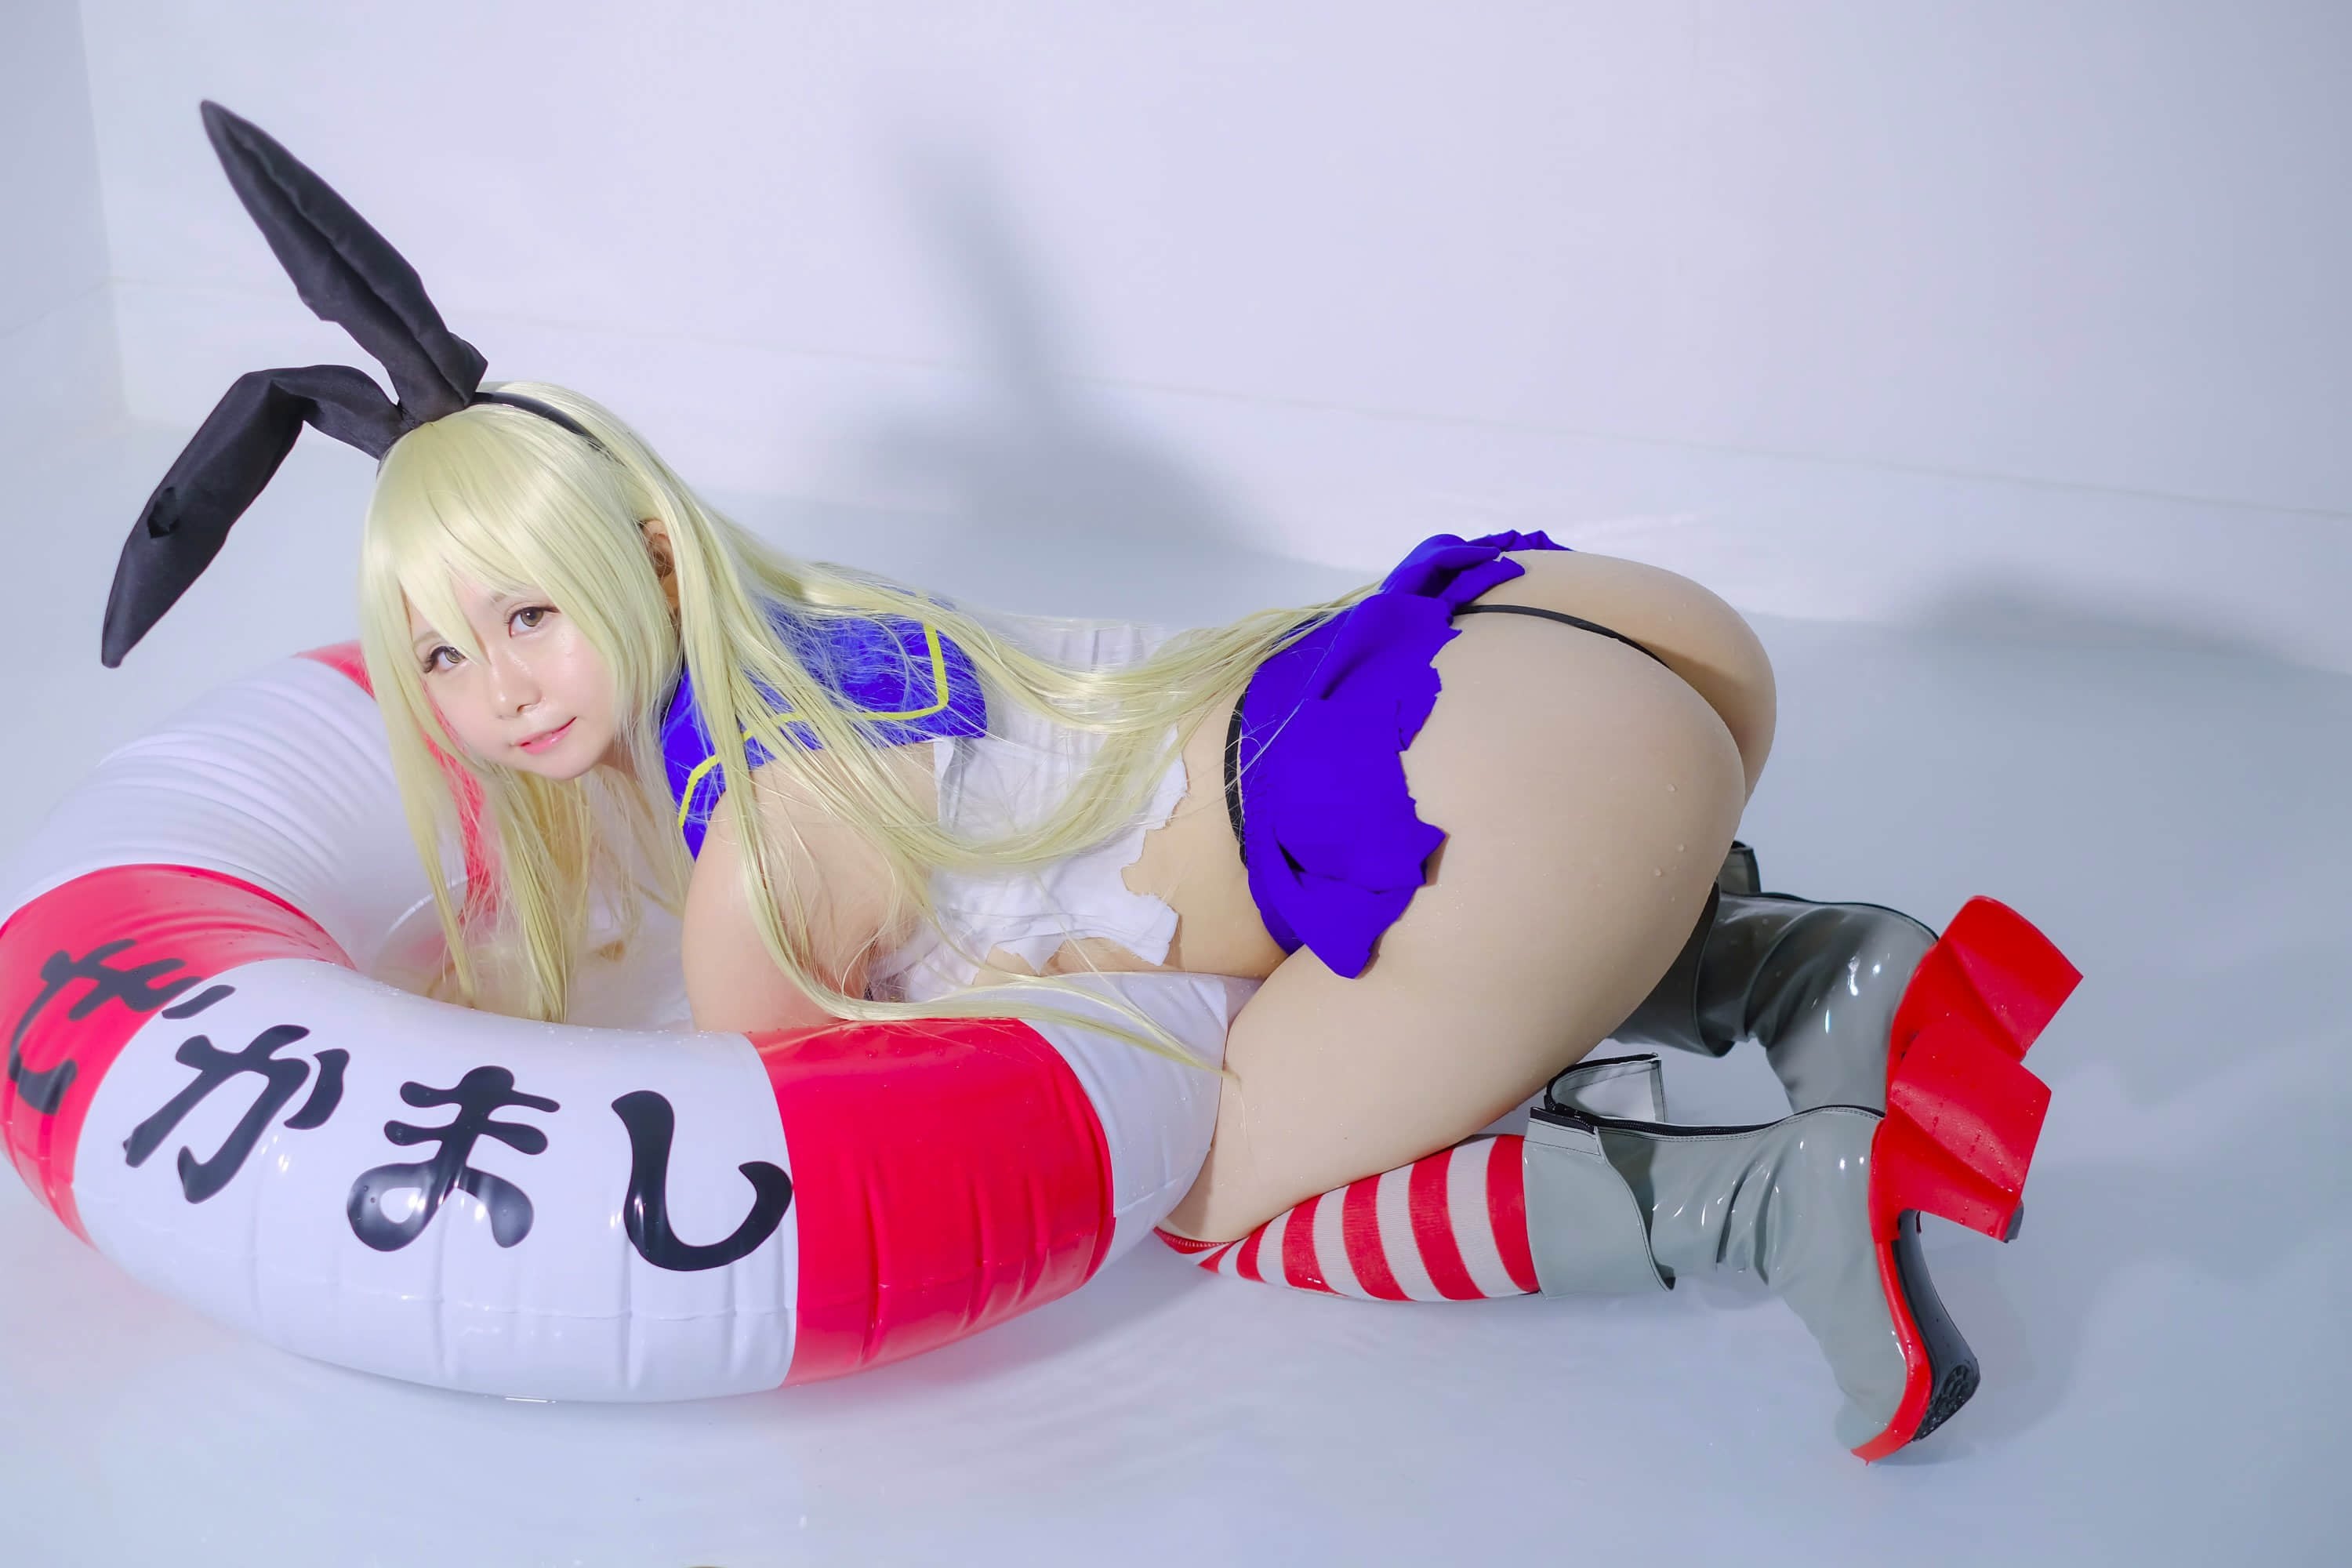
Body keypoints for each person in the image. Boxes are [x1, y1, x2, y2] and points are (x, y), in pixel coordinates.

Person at [103, 103, 2076, 1460]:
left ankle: (1771, 1207)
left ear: (640, 561)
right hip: (1572, 645)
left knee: (1195, 1182)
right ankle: (1824, 972)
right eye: (439, 654)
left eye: (525, 617)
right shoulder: (822, 615)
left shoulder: (766, 844)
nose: (489, 691)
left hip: (1472, 788)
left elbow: (800, 1132)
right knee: (1416, 958)